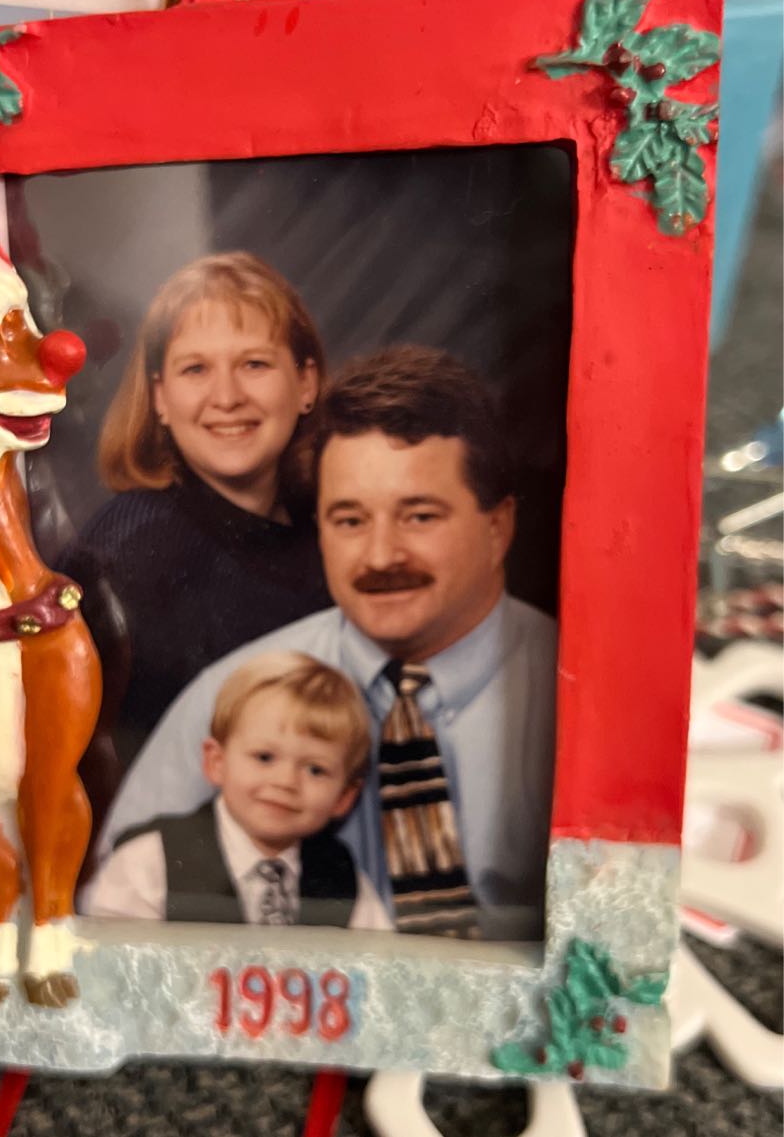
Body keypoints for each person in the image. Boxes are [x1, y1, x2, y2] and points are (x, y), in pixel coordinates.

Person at [91, 346, 558, 941]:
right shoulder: (233, 698)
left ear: (498, 527)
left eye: (419, 517)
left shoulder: (577, 694)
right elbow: (114, 929)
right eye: (349, 520)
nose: (381, 555)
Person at [58, 253, 333, 842]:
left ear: (306, 383)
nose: (226, 396)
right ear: (159, 397)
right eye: (194, 370)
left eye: (255, 363)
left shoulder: (339, 529)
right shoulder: (129, 550)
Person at [82, 652, 391, 930]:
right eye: (264, 757)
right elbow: (112, 972)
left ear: (344, 797)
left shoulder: (344, 879)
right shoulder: (149, 862)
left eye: (315, 770)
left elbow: (382, 974)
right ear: (217, 762)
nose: (285, 781)